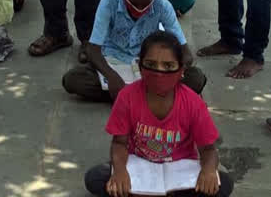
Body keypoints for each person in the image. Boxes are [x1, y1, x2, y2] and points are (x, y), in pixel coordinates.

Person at [84, 31, 233, 197]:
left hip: (179, 172)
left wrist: (209, 171)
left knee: (223, 184)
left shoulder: (193, 103)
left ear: (181, 69)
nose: (159, 73)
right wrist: (119, 172)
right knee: (95, 178)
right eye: (151, 64)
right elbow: (119, 143)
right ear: (140, 66)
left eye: (168, 66)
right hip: (140, 168)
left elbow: (208, 150)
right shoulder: (127, 97)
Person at [63, 0, 205, 103]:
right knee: (73, 79)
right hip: (112, 63)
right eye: (133, 4)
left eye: (146, 4)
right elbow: (93, 50)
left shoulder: (163, 6)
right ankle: (150, 96)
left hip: (150, 67)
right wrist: (112, 77)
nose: (139, 9)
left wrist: (167, 73)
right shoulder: (109, 1)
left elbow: (186, 54)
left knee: (196, 78)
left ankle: (125, 96)